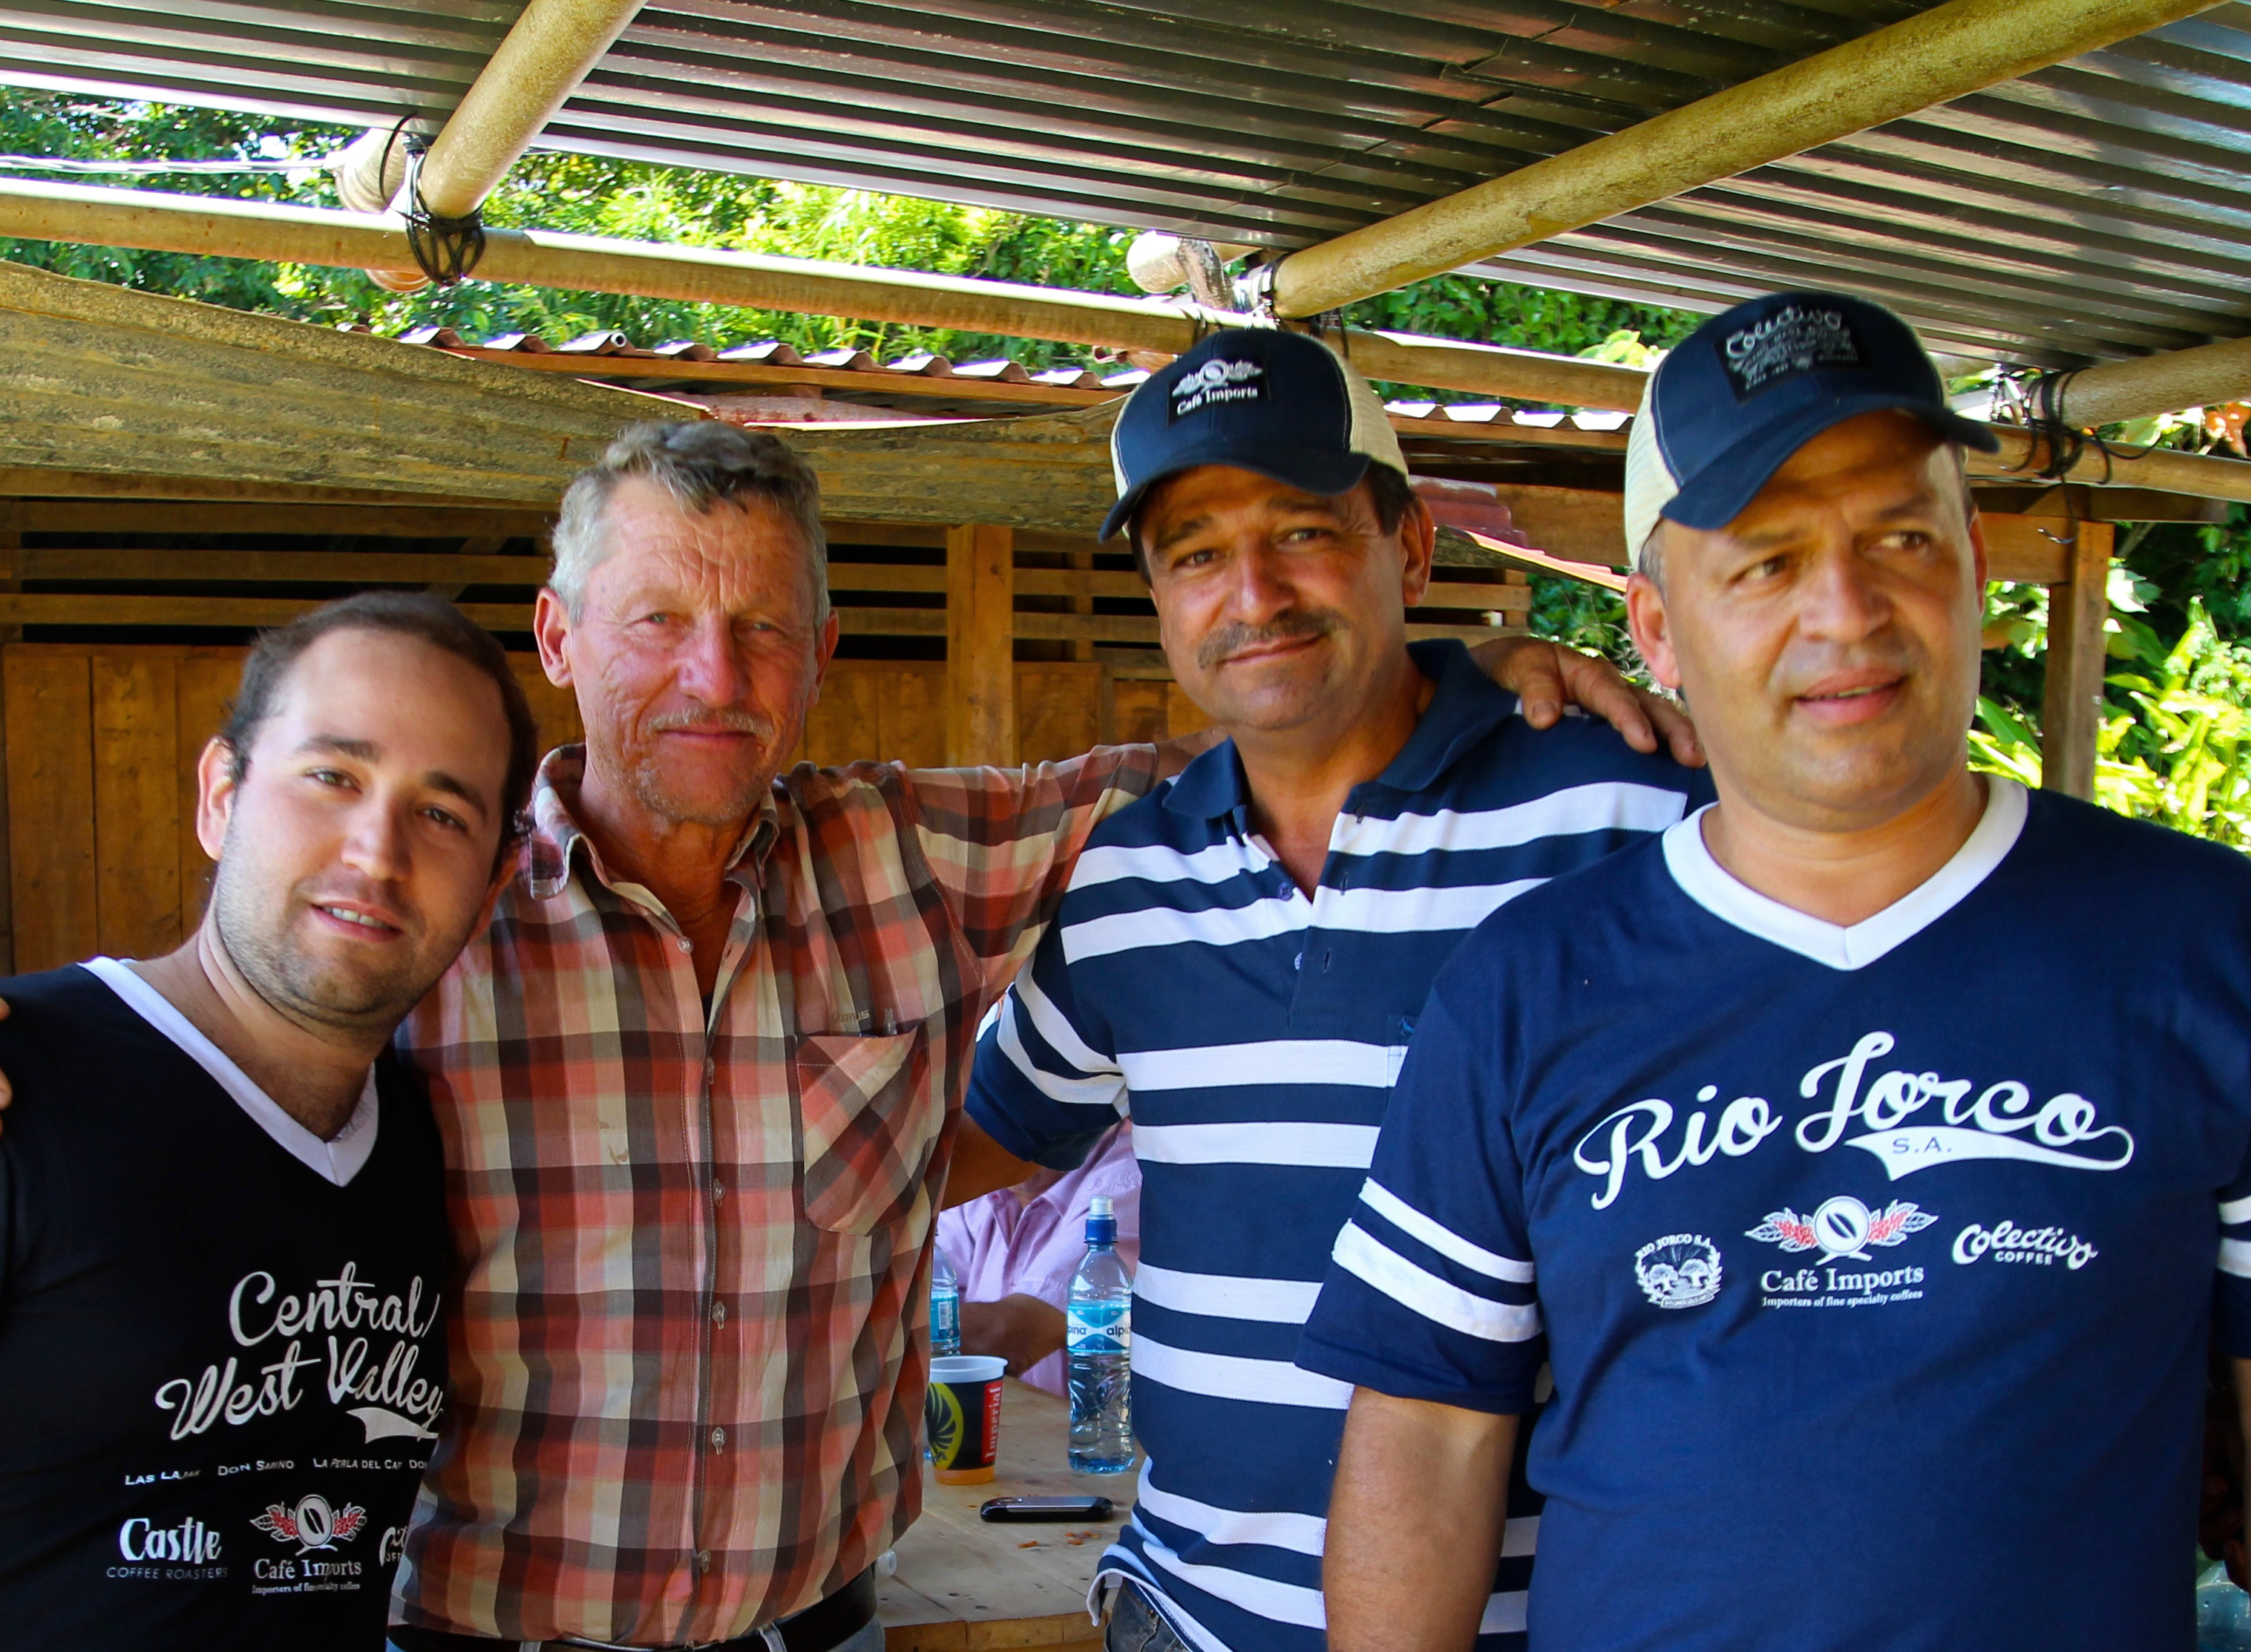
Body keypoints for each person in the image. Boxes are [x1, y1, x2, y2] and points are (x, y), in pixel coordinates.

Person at [216, 420, 1671, 1652]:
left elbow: (1261, 739)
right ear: (557, 636)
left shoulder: (907, 859)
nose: (713, 677)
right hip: (486, 1632)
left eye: (763, 628)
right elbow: (217, 1106)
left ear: (822, 652)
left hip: (821, 1626)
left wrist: (1468, 678)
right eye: (656, 621)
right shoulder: (432, 911)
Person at [1297, 291, 2251, 1652]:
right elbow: (1424, 1427)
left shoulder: (2209, 941)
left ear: (1973, 564)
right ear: (1657, 629)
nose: (1845, 612)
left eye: (1899, 538)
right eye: (1765, 563)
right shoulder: (1528, 983)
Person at [945, 327, 1713, 1652]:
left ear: (1408, 547)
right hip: (1186, 1616)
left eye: (1301, 531)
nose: (1252, 592)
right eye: (1195, 554)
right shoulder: (1128, 876)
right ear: (1157, 596)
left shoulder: (1624, 814)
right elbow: (974, 1138)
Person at [0, 593, 536, 1651]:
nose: (376, 852)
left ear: (490, 887)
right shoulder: (27, 1084)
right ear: (221, 794)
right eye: (332, 775)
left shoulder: (427, 1137)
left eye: (442, 813)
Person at [938, 1122, 1141, 1394]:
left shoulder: (1130, 1176)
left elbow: (1006, 1336)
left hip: (1100, 1421)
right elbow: (929, 1296)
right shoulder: (985, 1180)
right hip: (1018, 1418)